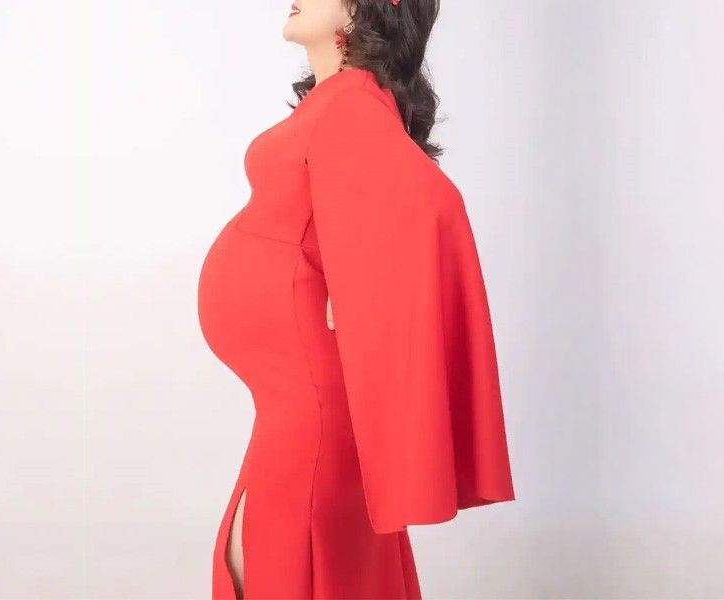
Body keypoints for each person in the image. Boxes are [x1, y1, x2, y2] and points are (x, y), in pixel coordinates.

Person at [197, 0, 515, 597]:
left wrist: (379, 281)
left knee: (272, 561)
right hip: (300, 403)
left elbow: (431, 201)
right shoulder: (338, 105)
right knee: (280, 561)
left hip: (313, 406)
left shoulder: (352, 104)